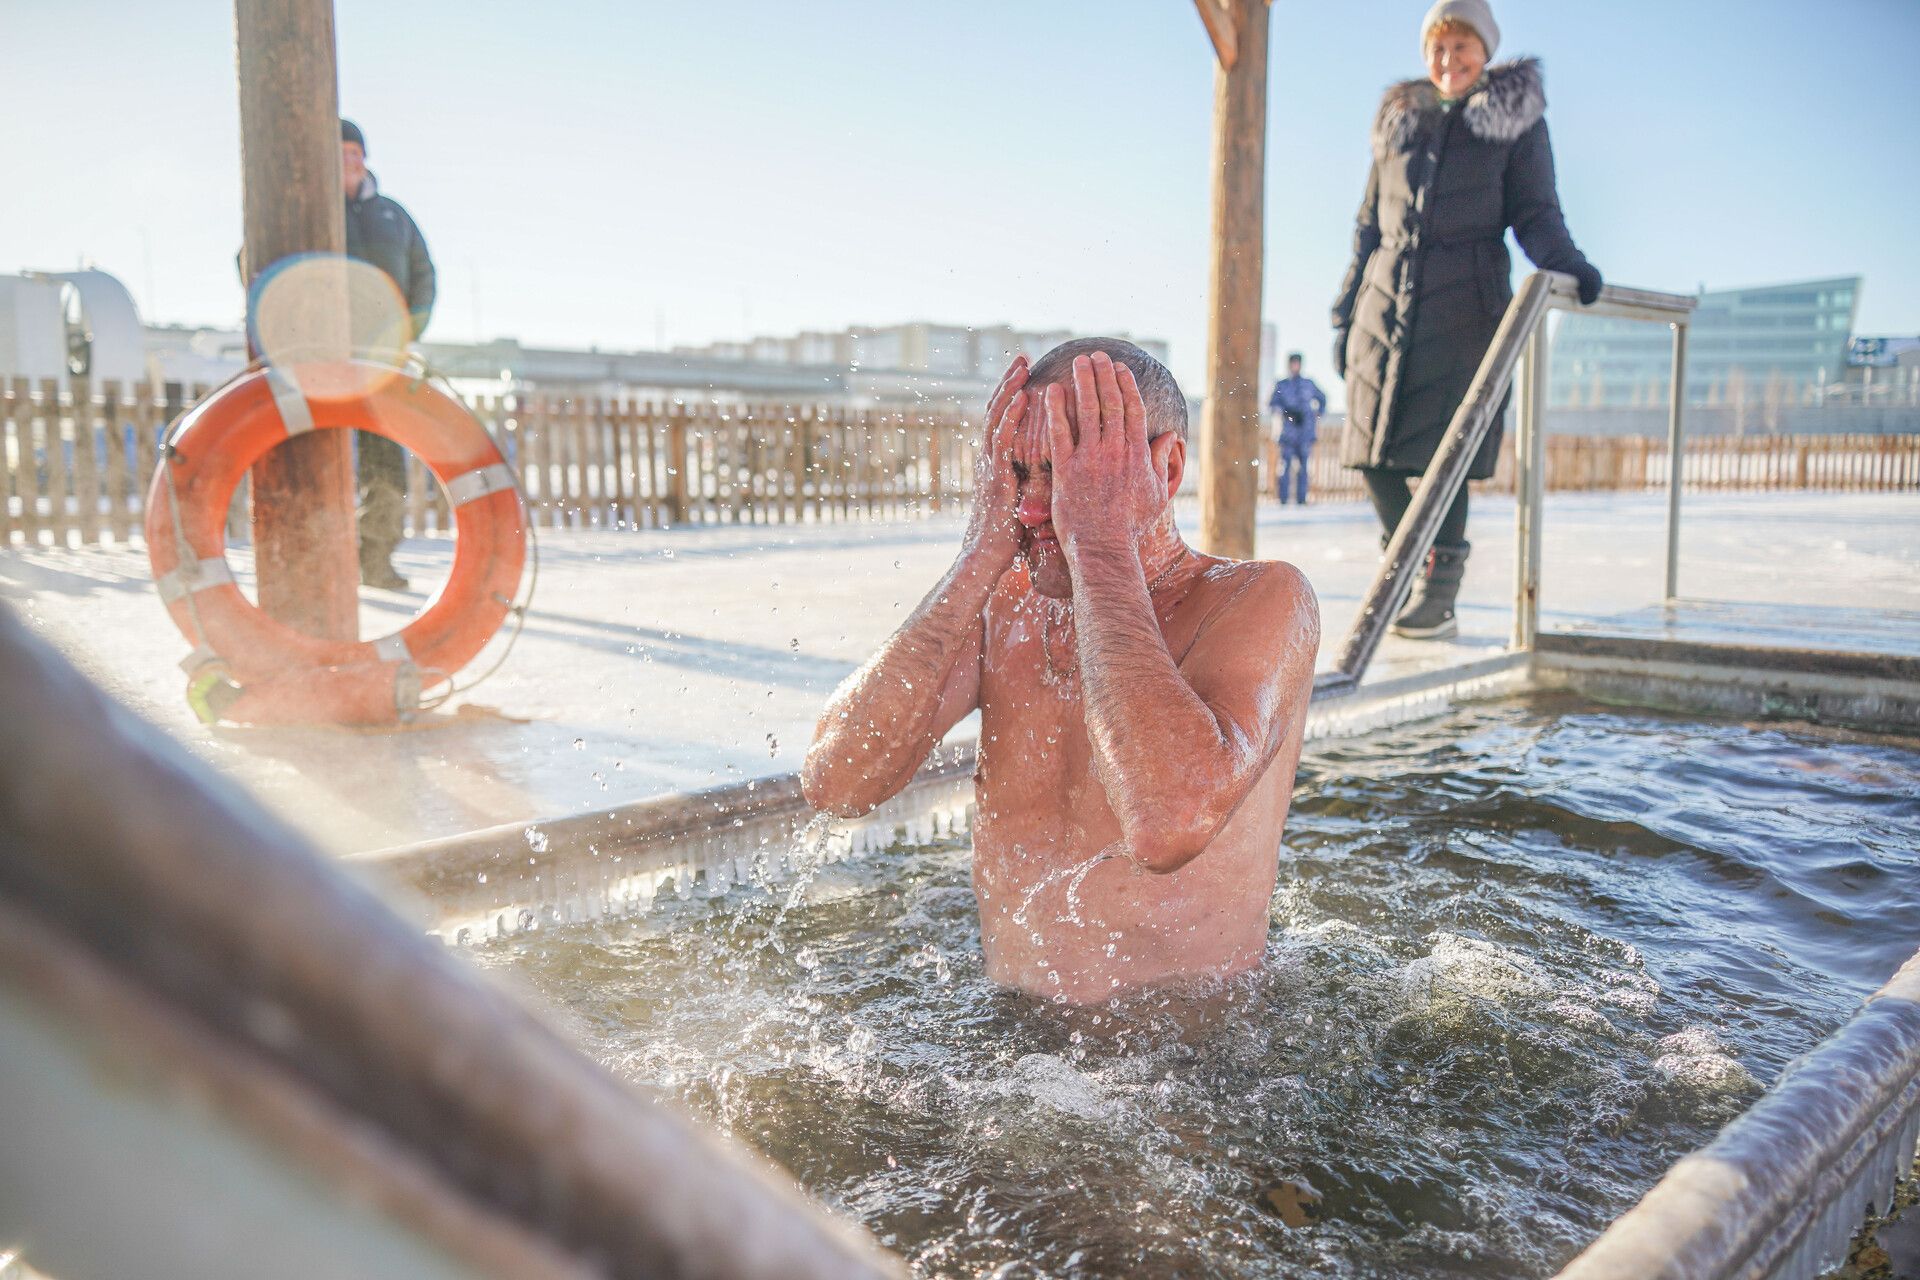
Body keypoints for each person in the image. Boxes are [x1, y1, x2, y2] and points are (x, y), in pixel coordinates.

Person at [802, 341, 1320, 1006]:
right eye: (1020, 473)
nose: (1033, 508)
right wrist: (976, 557)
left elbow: (1167, 822)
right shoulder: (1003, 606)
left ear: (1166, 468)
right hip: (1012, 1040)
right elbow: (836, 781)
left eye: (1069, 472)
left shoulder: (1259, 600)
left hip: (1196, 1057)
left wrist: (1100, 544)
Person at [1331, 0, 1601, 639]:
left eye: (1462, 48)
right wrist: (1346, 310)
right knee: (1371, 455)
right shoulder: (1399, 122)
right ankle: (1402, 576)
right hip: (1384, 306)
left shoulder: (1515, 124)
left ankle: (1440, 592)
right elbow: (1368, 226)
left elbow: (1536, 213)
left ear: (1485, 50)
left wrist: (1574, 267)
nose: (1448, 61)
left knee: (1445, 457)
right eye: (1437, 49)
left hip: (1465, 306)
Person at [338, 119, 436, 590]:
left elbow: (423, 272)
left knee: (384, 465)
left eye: (355, 151)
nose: (349, 160)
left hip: (382, 355)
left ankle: (375, 560)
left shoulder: (392, 215)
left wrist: (409, 328)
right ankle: (323, 562)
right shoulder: (305, 207)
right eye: (339, 152)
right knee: (324, 457)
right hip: (325, 353)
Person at [1267, 352, 1327, 505]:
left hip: (1305, 433)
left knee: (1304, 467)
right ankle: (1283, 499)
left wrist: (1316, 414)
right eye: (1292, 363)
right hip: (1287, 434)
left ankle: (1302, 499)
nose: (1295, 366)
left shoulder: (1308, 384)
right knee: (1285, 466)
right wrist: (1286, 413)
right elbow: (1272, 404)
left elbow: (1322, 398)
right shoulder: (1282, 385)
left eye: (1297, 363)